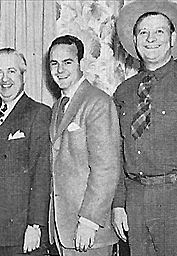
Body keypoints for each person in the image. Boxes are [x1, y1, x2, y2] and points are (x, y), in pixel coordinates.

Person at [112, 0, 177, 255]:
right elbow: (116, 153)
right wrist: (119, 204)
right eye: (143, 32)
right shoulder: (124, 92)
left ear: (172, 38)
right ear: (135, 41)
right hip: (136, 204)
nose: (151, 39)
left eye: (159, 31)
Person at [47, 35, 120, 256]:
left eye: (67, 62)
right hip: (64, 229)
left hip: (88, 230)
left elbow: (106, 168)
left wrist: (89, 221)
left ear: (81, 64)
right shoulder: (58, 106)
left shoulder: (97, 102)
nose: (60, 70)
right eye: (54, 64)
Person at [0, 48, 51, 256]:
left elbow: (41, 173)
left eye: (11, 71)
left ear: (23, 75)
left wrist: (35, 225)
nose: (5, 79)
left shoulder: (39, 113)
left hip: (22, 233)